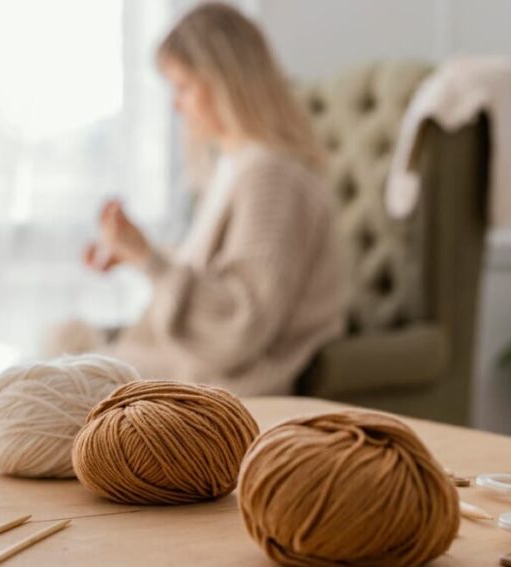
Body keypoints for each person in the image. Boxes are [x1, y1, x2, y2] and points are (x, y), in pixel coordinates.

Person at [50, 2, 346, 396]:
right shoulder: (237, 167)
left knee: (59, 371)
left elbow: (240, 323)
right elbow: (219, 281)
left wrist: (148, 259)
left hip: (226, 385)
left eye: (184, 88)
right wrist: (137, 253)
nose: (177, 106)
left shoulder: (270, 177)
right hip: (189, 365)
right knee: (63, 344)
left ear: (224, 82)